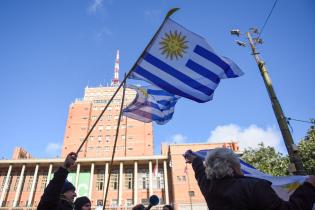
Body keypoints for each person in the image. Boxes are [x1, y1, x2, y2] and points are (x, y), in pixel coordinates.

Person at [184, 148, 315, 210]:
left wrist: (194, 159)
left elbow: (200, 173)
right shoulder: (255, 186)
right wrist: (309, 187)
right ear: (233, 166)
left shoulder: (209, 188)